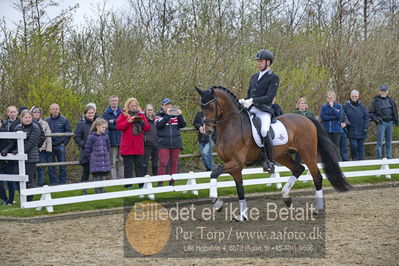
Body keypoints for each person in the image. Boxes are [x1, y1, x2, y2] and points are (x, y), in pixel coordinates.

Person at [239, 49, 279, 173]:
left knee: (263, 130)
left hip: (264, 110)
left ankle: (271, 162)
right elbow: (249, 94)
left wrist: (253, 100)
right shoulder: (254, 77)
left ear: (268, 62)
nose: (259, 63)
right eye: (258, 61)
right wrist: (243, 101)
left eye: (261, 61)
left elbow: (269, 97)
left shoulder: (273, 77)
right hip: (251, 109)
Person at [1, 110, 42, 202]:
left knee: (29, 179)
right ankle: (23, 197)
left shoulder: (35, 128)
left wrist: (18, 151)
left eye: (29, 117)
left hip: (31, 157)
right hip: (19, 158)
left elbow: (31, 143)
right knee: (18, 179)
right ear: (21, 118)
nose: (27, 119)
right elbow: (13, 142)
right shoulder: (18, 127)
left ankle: (29, 200)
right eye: (25, 118)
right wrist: (6, 150)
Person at [116, 98, 150, 188]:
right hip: (127, 145)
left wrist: (142, 123)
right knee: (128, 166)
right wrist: (128, 121)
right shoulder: (123, 115)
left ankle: (141, 184)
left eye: (135, 105)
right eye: (131, 105)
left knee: (140, 166)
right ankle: (128, 185)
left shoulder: (141, 115)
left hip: (138, 145)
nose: (133, 107)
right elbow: (119, 126)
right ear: (128, 106)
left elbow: (147, 128)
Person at [155, 98, 186, 186]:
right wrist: (167, 115)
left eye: (169, 104)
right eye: (166, 104)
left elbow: (183, 125)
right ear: (162, 106)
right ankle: (160, 183)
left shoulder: (175, 115)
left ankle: (172, 183)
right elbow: (158, 125)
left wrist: (180, 115)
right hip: (163, 143)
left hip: (176, 143)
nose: (168, 106)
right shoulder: (158, 115)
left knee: (174, 164)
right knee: (162, 163)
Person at [368, 85, 398, 159]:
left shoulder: (391, 100)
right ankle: (379, 158)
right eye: (382, 90)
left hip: (390, 122)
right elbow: (370, 113)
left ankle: (389, 157)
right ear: (379, 91)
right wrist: (376, 119)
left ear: (387, 92)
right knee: (380, 142)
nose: (383, 92)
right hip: (381, 123)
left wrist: (396, 120)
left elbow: (395, 111)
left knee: (389, 141)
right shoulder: (375, 101)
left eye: (385, 91)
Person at [45, 103, 71, 185]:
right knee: (51, 166)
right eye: (53, 109)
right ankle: (53, 183)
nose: (55, 110)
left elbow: (68, 132)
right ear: (50, 110)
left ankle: (62, 183)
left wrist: (64, 143)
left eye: (57, 109)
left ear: (59, 110)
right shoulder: (46, 120)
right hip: (50, 146)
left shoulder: (64, 120)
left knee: (62, 165)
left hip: (60, 146)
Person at [74, 105, 97, 194]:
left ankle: (98, 190)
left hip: (96, 151)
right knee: (86, 171)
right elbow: (77, 137)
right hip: (85, 151)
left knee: (97, 172)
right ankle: (84, 189)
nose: (91, 114)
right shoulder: (81, 124)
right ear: (85, 114)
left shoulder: (98, 122)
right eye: (89, 113)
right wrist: (84, 144)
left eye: (92, 113)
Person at [85, 118, 111, 193]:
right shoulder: (92, 137)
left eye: (105, 128)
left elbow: (108, 146)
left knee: (103, 177)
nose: (104, 129)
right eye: (103, 127)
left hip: (104, 161)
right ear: (97, 127)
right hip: (95, 161)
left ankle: (102, 191)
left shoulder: (106, 136)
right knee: (96, 177)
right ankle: (96, 192)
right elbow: (87, 149)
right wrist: (92, 158)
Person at [343, 90, 369, 160]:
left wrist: (366, 127)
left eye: (355, 96)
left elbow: (366, 117)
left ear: (358, 97)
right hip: (351, 130)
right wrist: (346, 123)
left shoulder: (362, 106)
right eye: (353, 96)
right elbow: (343, 116)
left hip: (362, 130)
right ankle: (354, 159)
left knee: (361, 147)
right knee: (353, 145)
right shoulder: (346, 106)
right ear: (350, 96)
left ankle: (361, 161)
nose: (354, 97)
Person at [102, 96, 124, 180]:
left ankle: (122, 179)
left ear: (118, 102)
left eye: (116, 101)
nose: (114, 102)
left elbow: (123, 124)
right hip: (112, 140)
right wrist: (117, 124)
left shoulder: (122, 112)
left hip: (122, 140)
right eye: (113, 101)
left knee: (122, 161)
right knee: (112, 162)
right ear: (109, 102)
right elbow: (105, 125)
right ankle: (114, 180)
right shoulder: (106, 113)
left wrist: (114, 123)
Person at [31, 106, 52, 186]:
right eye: (34, 112)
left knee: (41, 168)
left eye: (38, 112)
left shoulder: (45, 123)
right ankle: (32, 185)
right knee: (32, 168)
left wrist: (49, 149)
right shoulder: (29, 122)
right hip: (32, 149)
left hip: (42, 149)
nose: (36, 114)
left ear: (40, 114)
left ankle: (40, 184)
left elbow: (49, 136)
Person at [0, 117, 14, 206]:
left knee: (10, 180)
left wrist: (6, 150)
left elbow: (12, 143)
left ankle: (11, 200)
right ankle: (4, 199)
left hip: (8, 159)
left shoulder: (5, 131)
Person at [143, 104, 159, 176]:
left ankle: (155, 177)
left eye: (151, 110)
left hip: (156, 143)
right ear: (145, 111)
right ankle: (144, 178)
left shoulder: (156, 119)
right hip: (146, 144)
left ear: (153, 111)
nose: (150, 111)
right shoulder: (143, 120)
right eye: (148, 110)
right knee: (145, 162)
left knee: (155, 163)